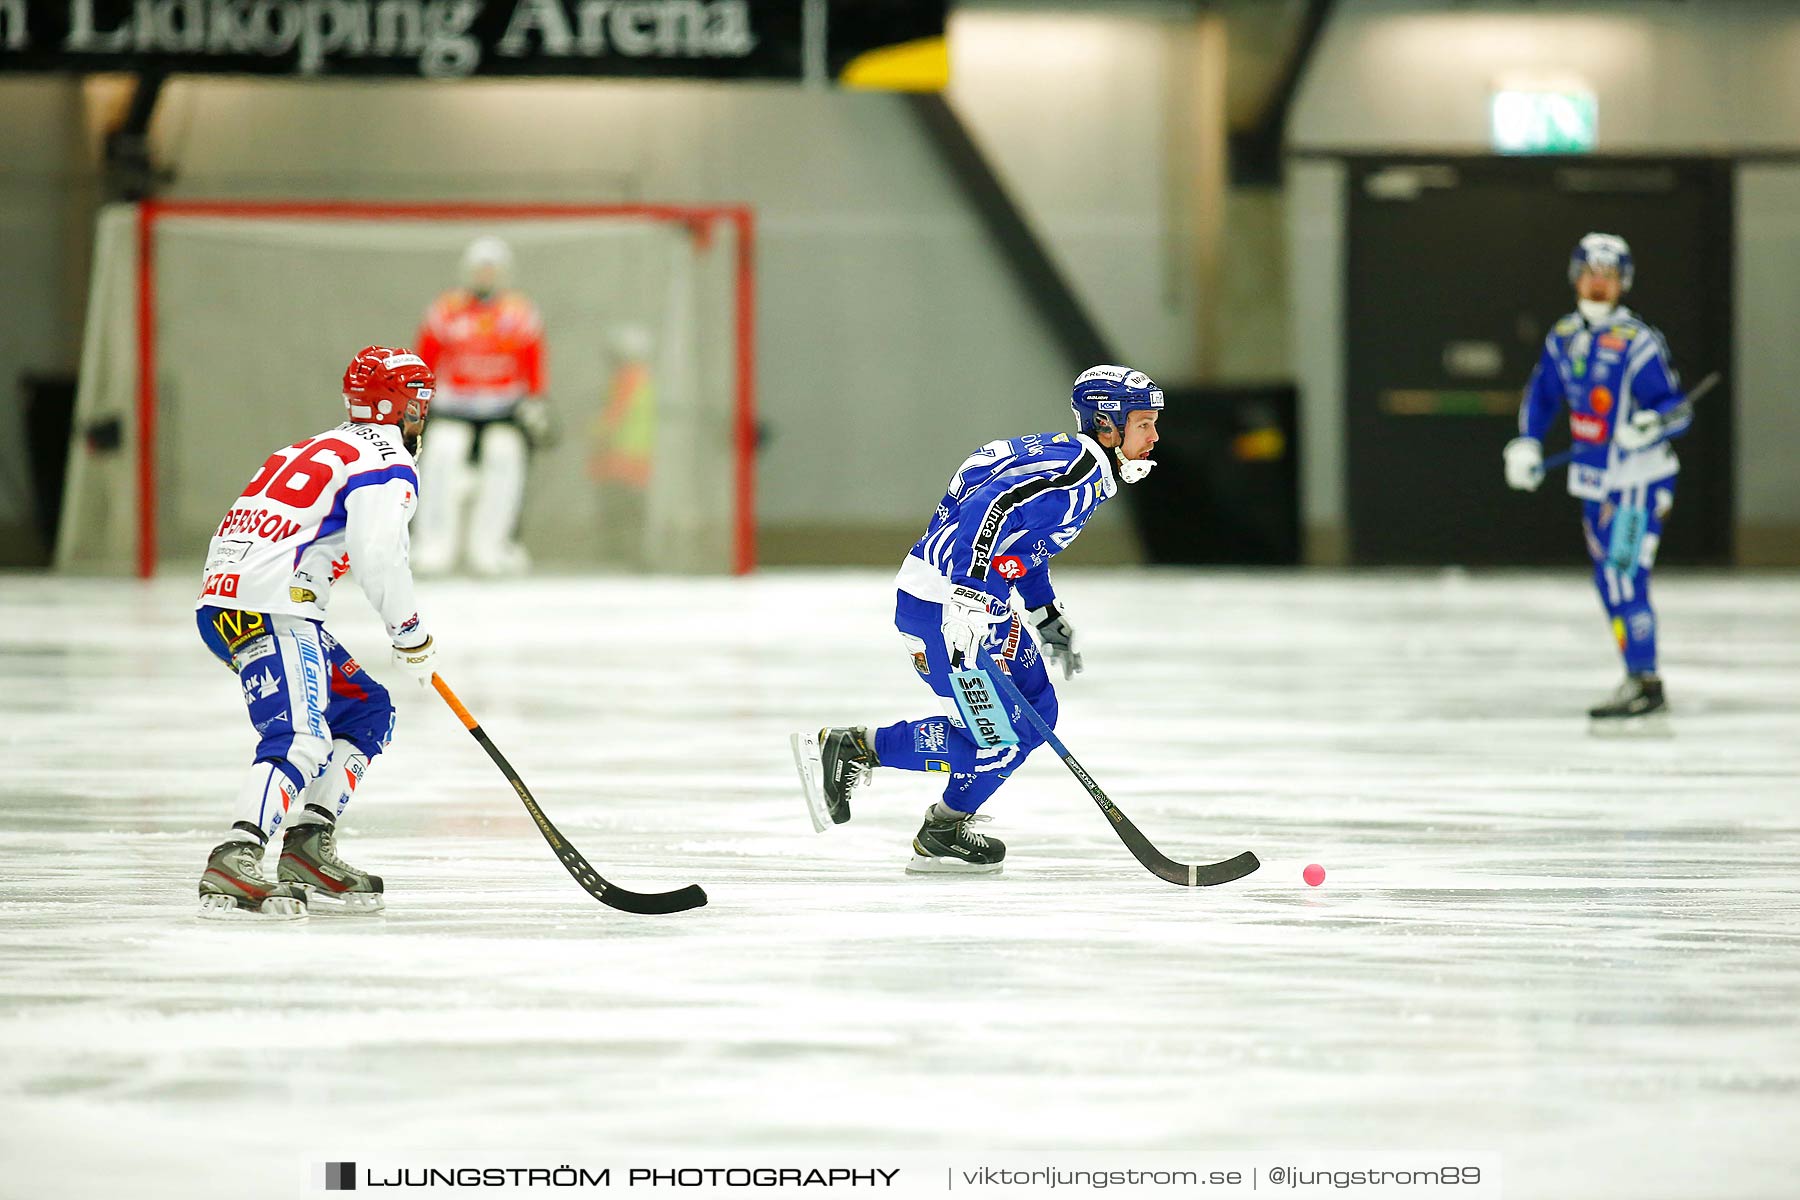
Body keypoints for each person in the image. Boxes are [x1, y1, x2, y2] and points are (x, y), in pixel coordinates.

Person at [791, 366, 1163, 873]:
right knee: (999, 739)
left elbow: (1022, 547)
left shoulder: (1065, 457)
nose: (1154, 436)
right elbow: (993, 504)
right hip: (944, 612)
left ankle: (944, 826)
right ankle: (855, 749)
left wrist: (1044, 612)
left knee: (1037, 711)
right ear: (1107, 423)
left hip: (979, 609)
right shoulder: (1078, 473)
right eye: (1144, 423)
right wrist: (965, 600)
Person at [193, 347, 440, 920]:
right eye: (418, 404)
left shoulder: (318, 444)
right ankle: (237, 853)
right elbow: (378, 557)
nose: (420, 418)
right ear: (398, 405)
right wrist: (410, 635)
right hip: (271, 607)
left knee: (363, 710)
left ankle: (306, 845)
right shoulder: (388, 463)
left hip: (232, 600)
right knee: (301, 737)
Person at [1504, 232, 1692, 721]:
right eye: (1591, 273)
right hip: (1593, 482)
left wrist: (1649, 427)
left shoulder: (1638, 343)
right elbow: (1542, 393)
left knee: (1625, 577)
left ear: (1623, 282)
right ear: (1575, 277)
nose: (1598, 283)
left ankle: (1646, 682)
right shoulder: (1564, 336)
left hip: (1638, 484)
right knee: (1609, 582)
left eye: (1609, 276)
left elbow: (1677, 409)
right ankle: (1635, 674)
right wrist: (1527, 441)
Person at [413, 236, 549, 576]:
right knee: (443, 451)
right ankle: (433, 544)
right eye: (480, 269)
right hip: (453, 406)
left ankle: (493, 545)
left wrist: (535, 399)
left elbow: (533, 361)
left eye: (492, 270)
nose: (485, 276)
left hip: (503, 409)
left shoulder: (520, 314)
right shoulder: (445, 311)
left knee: (504, 454)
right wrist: (419, 400)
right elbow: (426, 358)